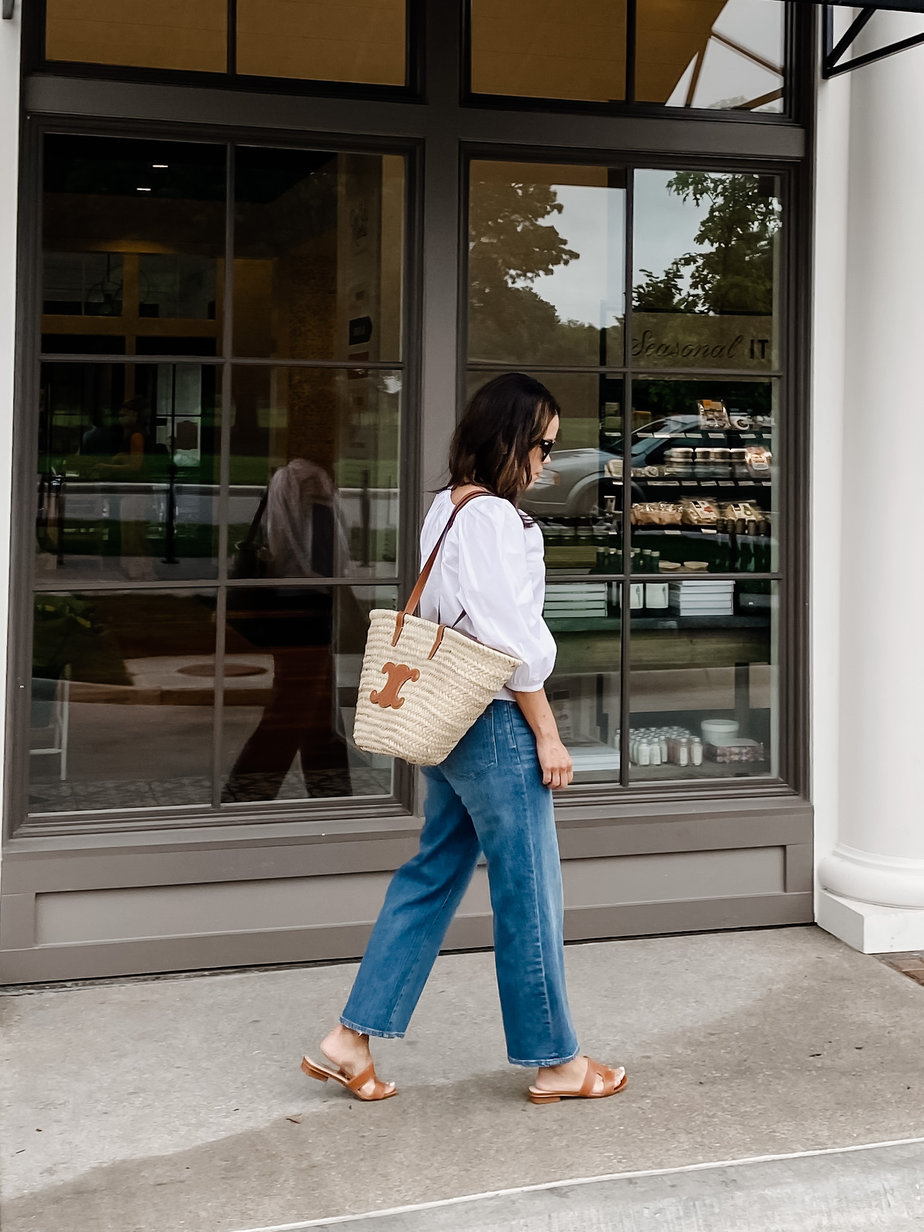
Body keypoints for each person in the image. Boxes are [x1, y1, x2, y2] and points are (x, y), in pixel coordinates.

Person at [301, 372, 627, 1105]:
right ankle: (558, 1062)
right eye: (542, 445)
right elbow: (508, 641)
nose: (548, 460)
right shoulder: (490, 521)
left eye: (553, 446)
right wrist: (548, 734)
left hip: (449, 723)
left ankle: (350, 1039)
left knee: (433, 875)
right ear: (507, 441)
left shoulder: (446, 509)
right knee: (530, 892)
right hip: (493, 721)